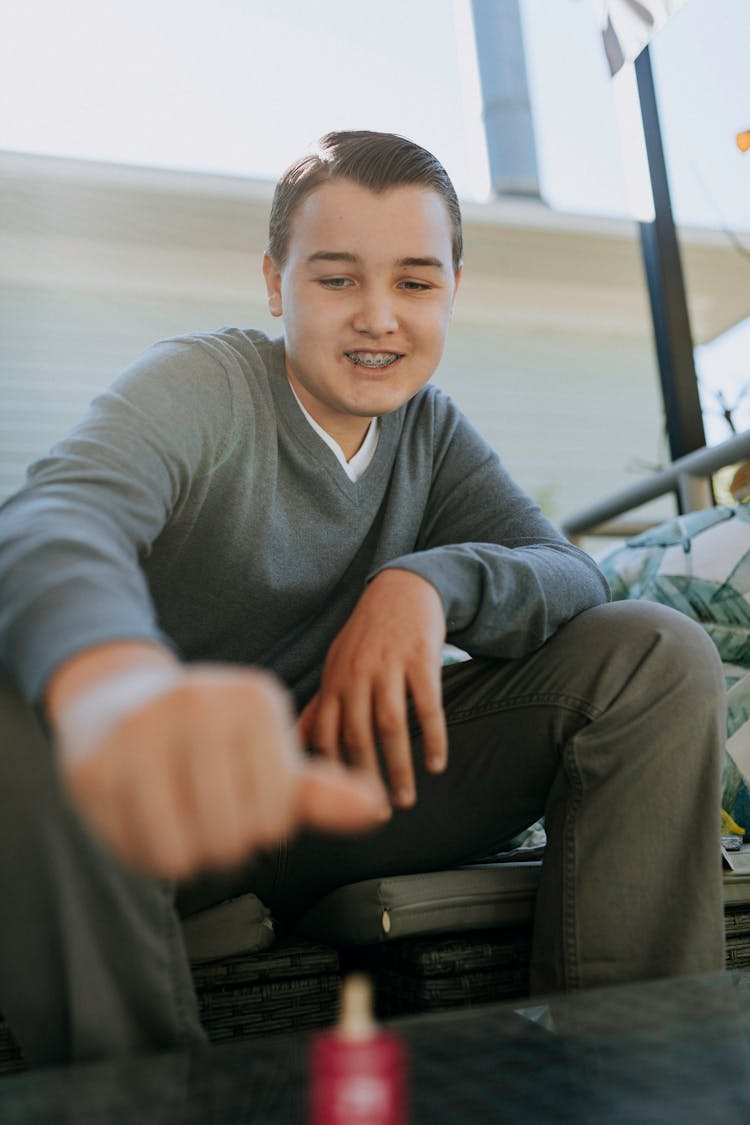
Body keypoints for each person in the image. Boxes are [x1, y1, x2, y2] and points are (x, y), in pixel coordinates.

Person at [0, 130, 726, 1069]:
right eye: (336, 279)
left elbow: (571, 572)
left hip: (349, 795)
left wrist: (426, 581)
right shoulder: (202, 386)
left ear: (453, 289)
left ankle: (642, 1076)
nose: (378, 317)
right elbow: (54, 520)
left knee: (653, 653)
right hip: (157, 817)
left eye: (415, 283)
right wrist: (114, 682)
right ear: (275, 283)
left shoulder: (431, 432)